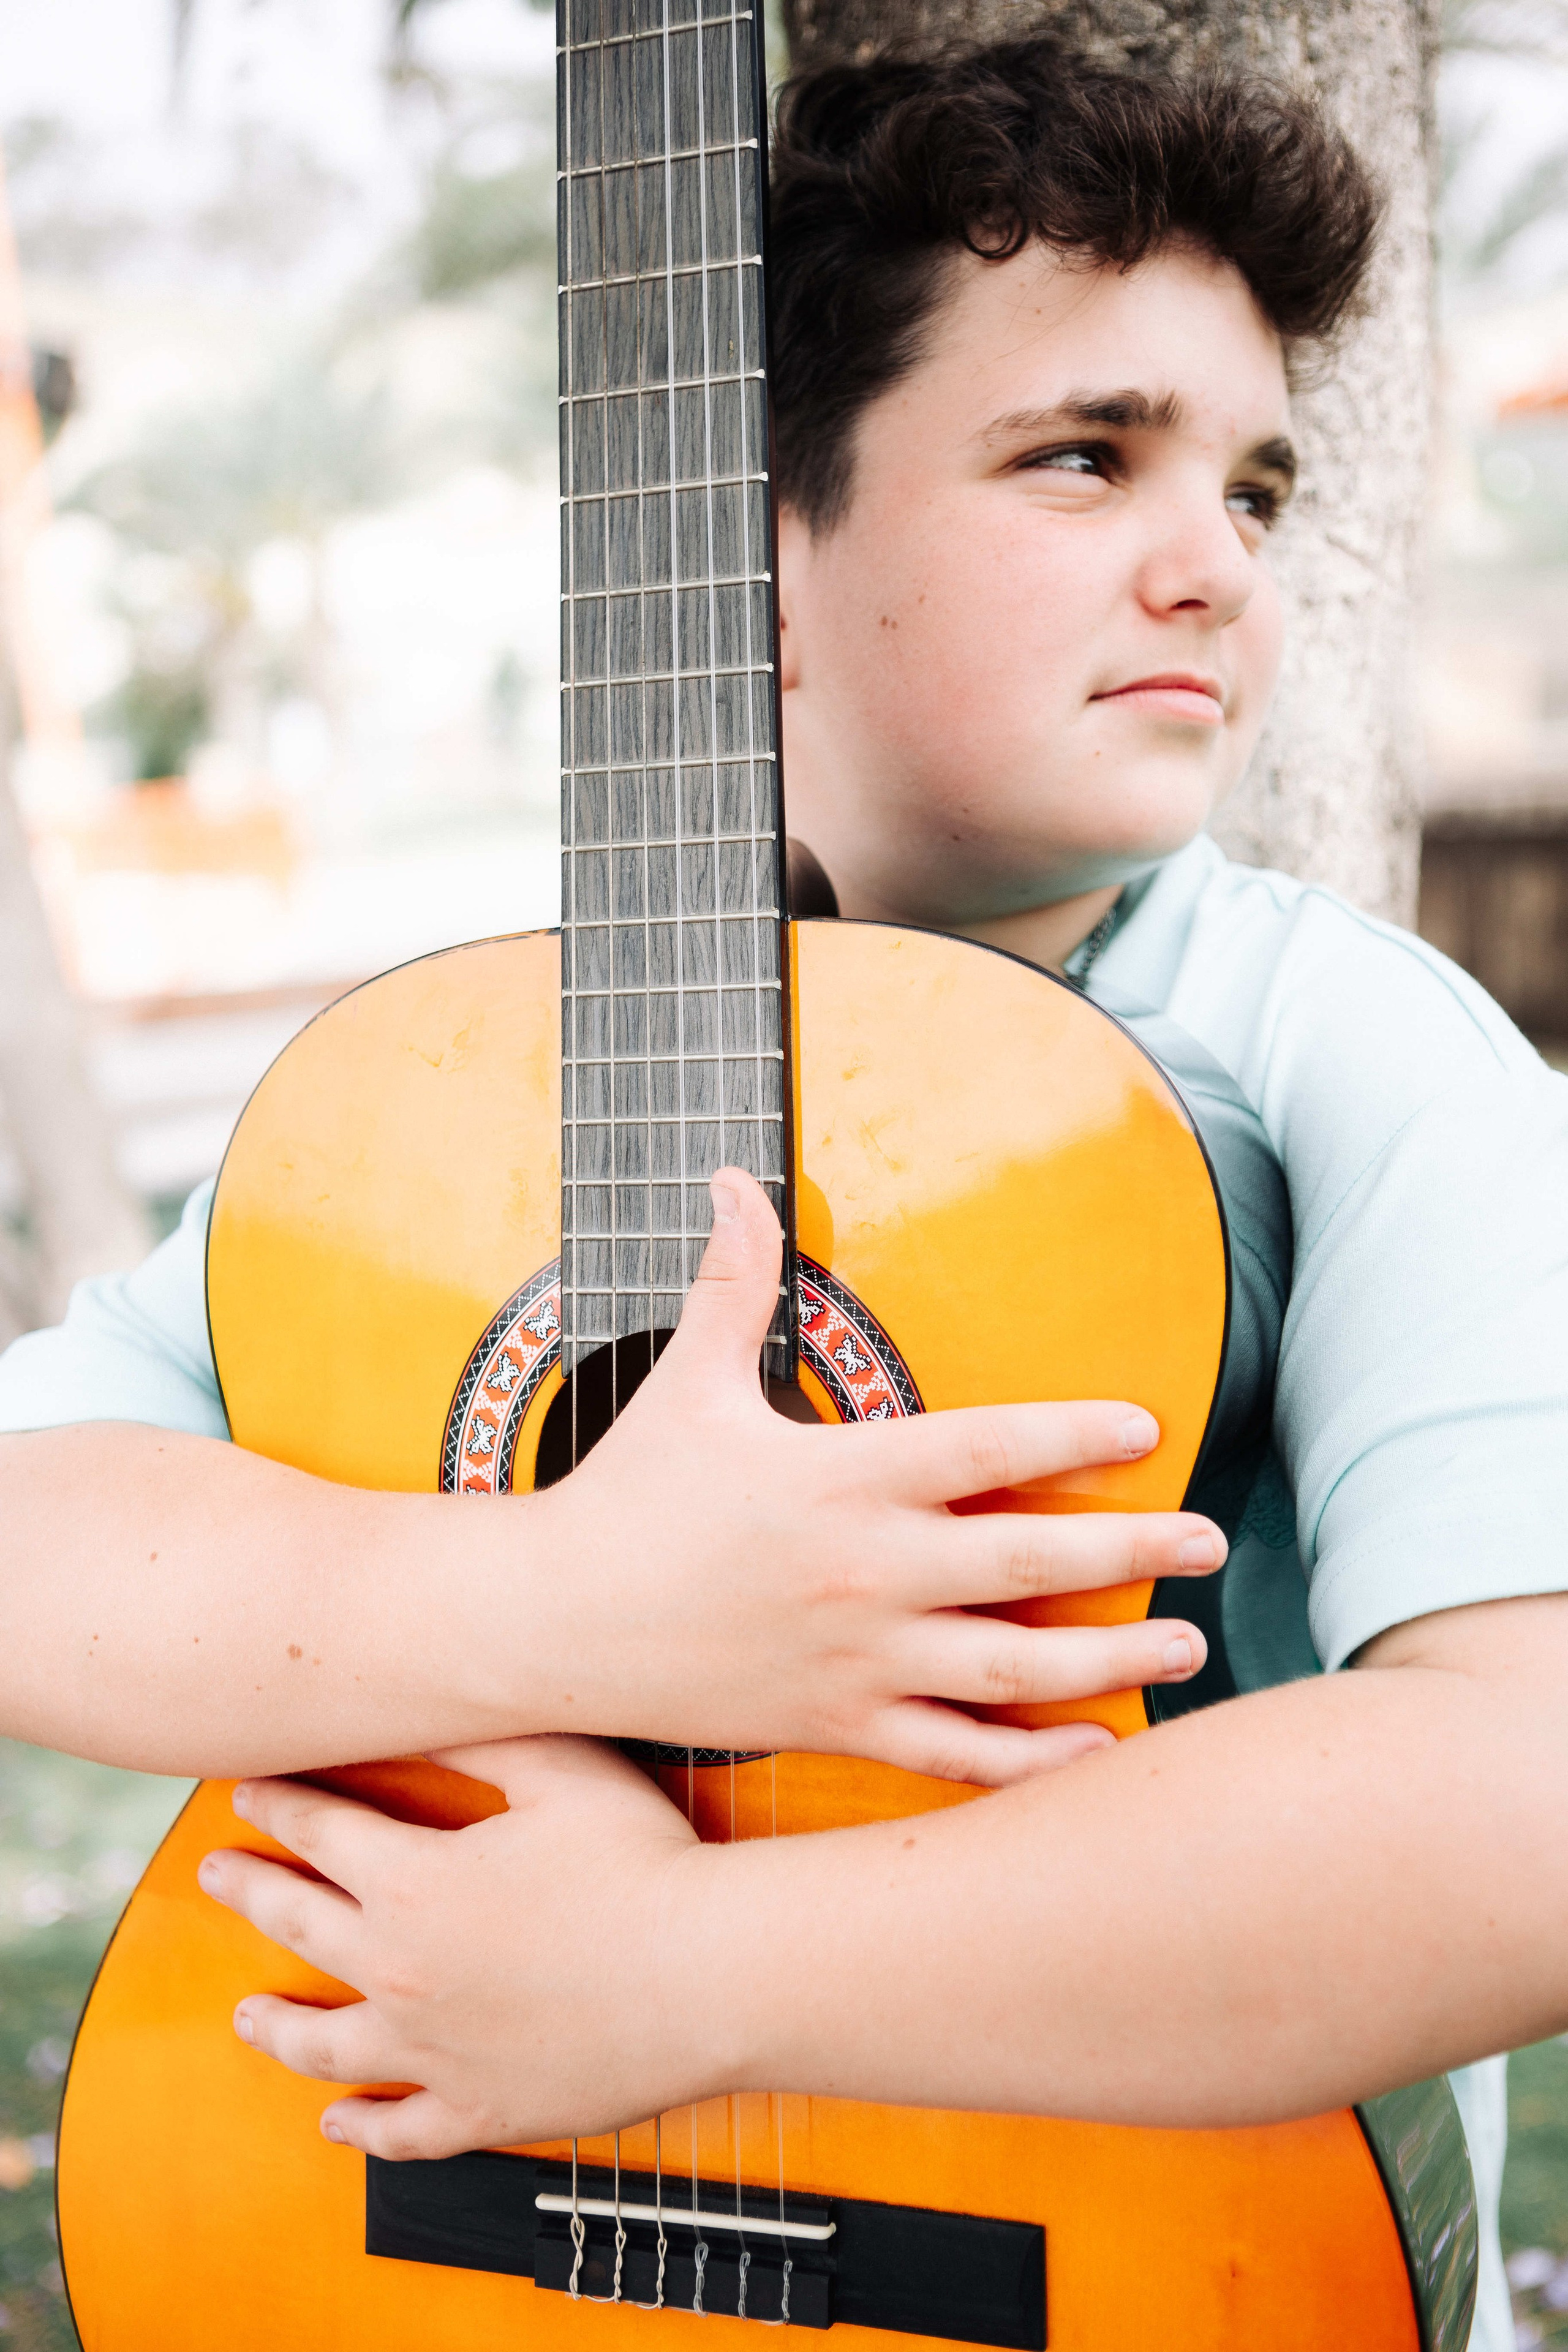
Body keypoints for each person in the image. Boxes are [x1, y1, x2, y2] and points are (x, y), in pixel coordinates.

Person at [1, 40, 1561, 2351]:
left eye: (1252, 485)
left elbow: (1524, 1804)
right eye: (1085, 455)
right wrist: (570, 1607)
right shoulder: (465, 1086)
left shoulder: (1353, 1050)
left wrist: (683, 1970)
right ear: (740, 558)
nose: (1216, 564)